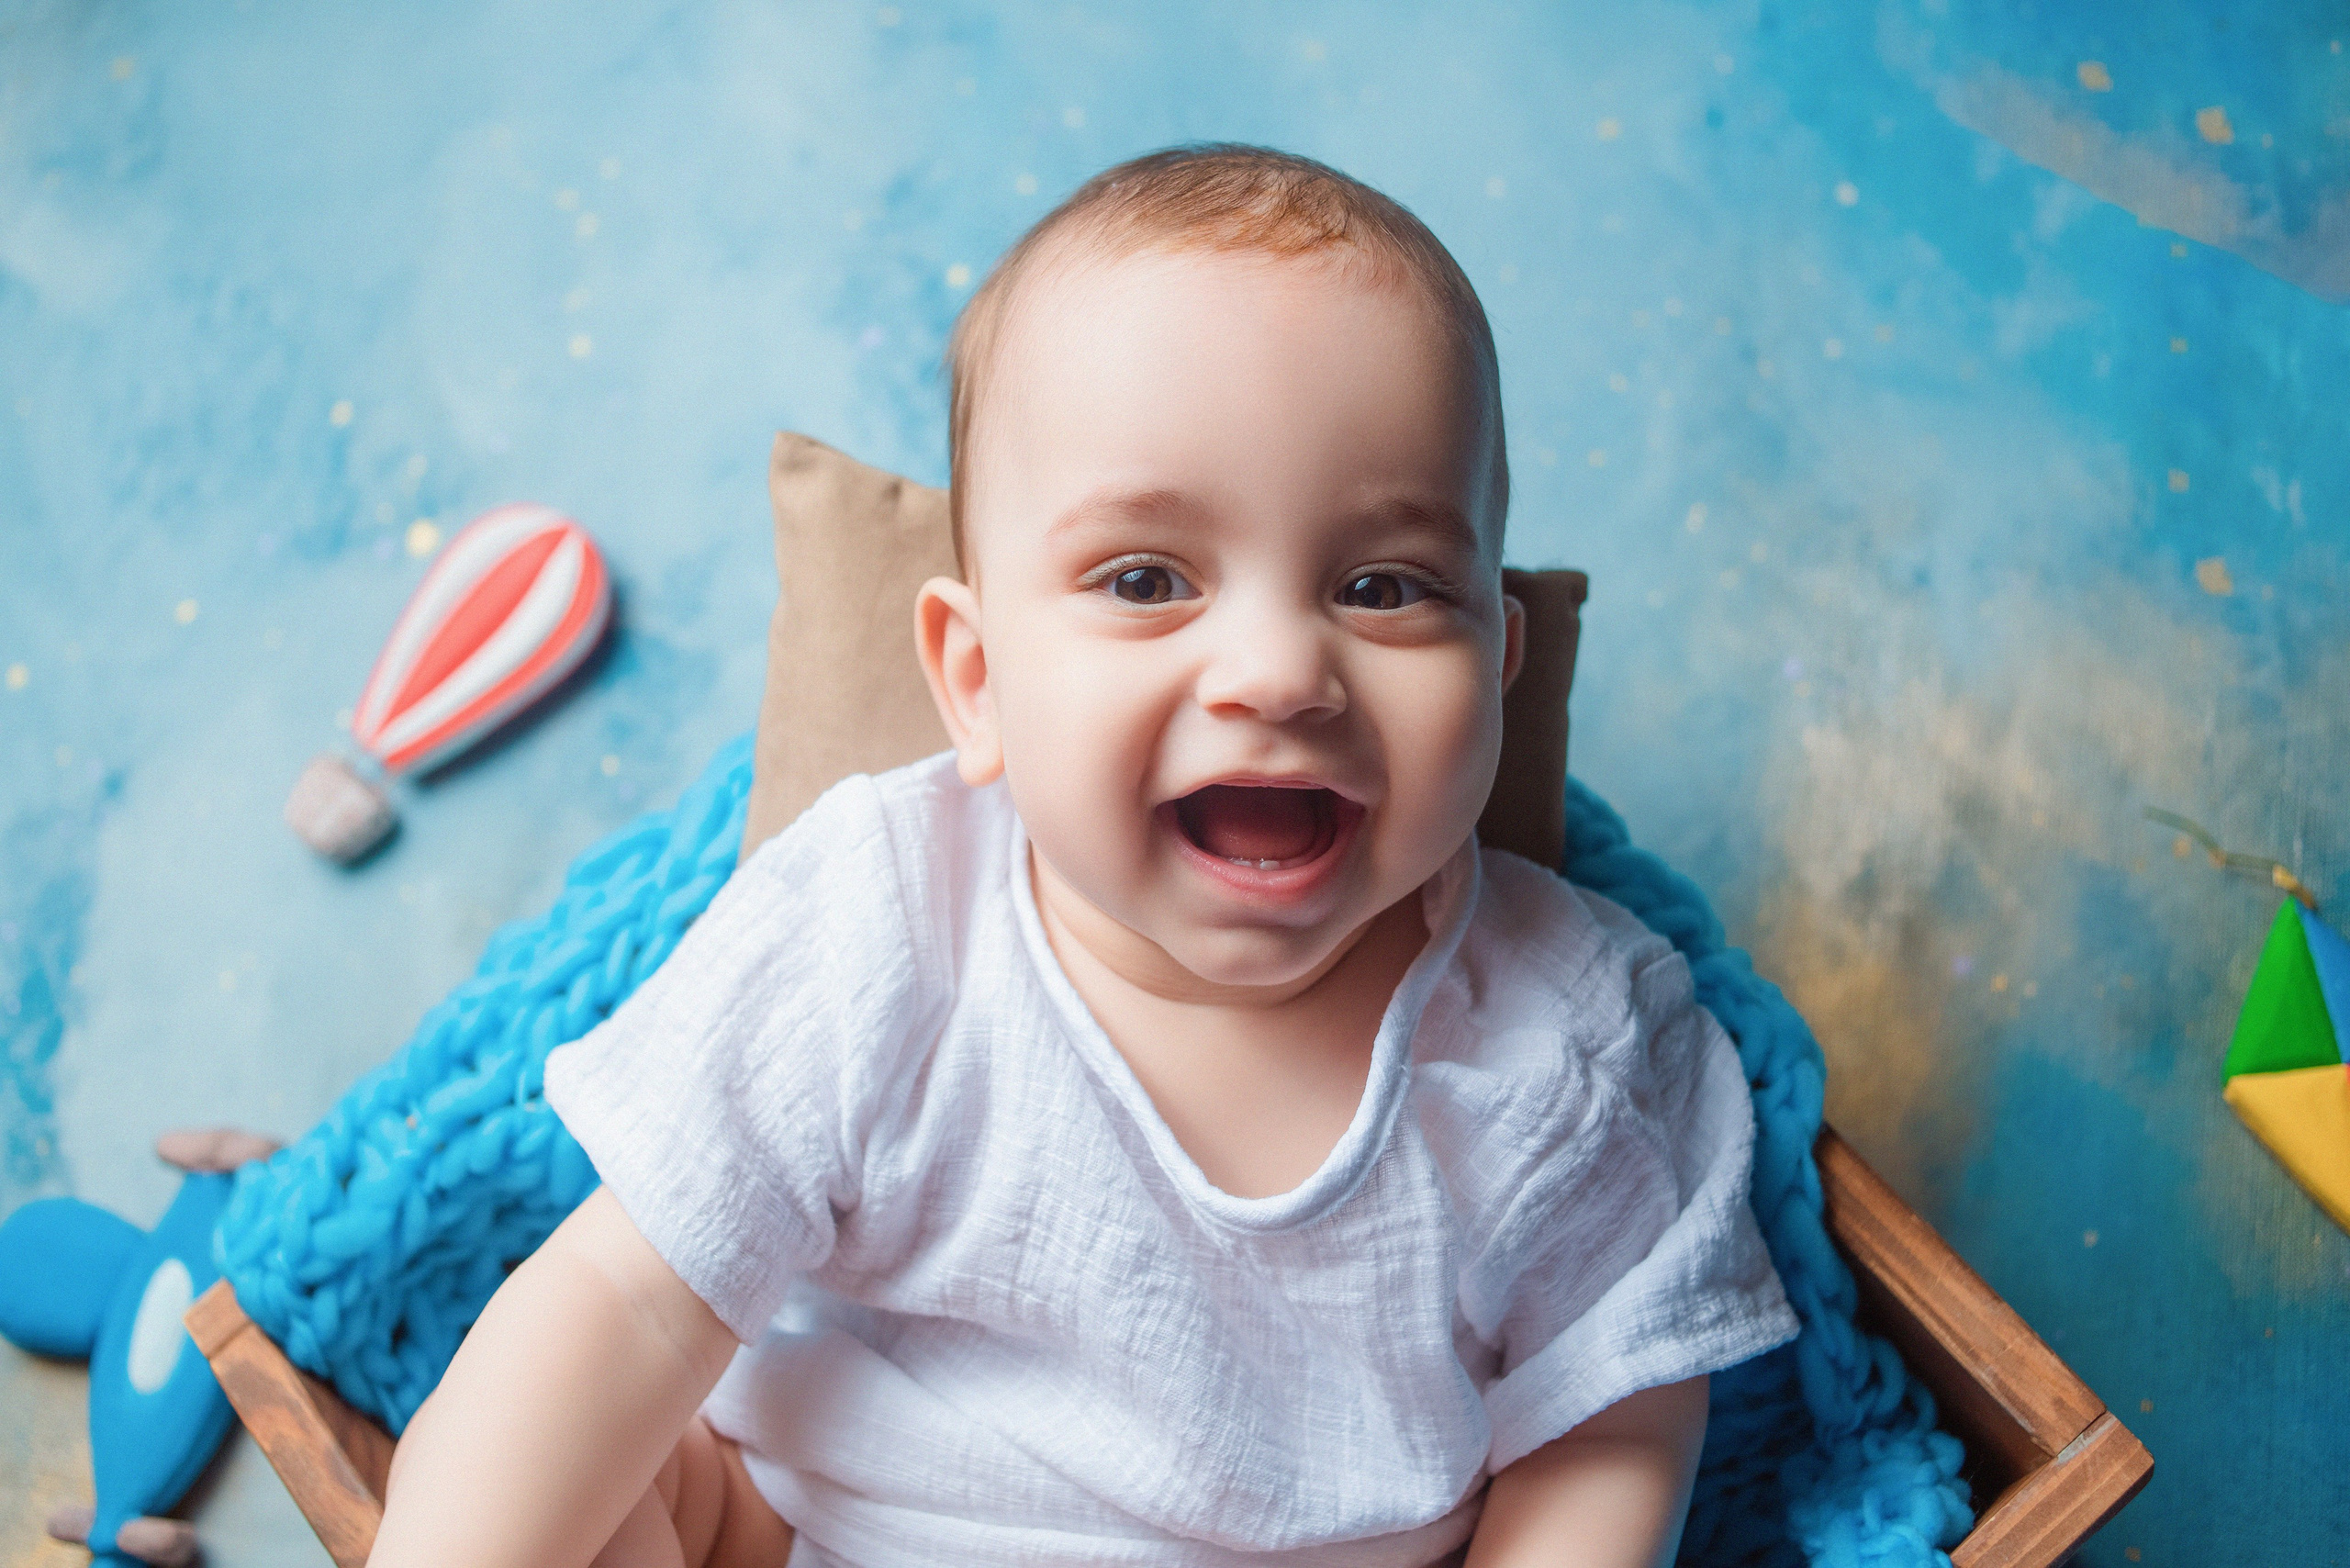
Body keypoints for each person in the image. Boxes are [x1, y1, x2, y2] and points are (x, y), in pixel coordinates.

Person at [364, 144, 1798, 1568]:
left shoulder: (1571, 1044)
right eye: (1147, 579)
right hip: (814, 1529)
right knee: (578, 1471)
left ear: (1497, 665)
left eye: (1383, 587)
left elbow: (1607, 1431)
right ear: (978, 680)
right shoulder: (880, 933)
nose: (1278, 671)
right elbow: (627, 1303)